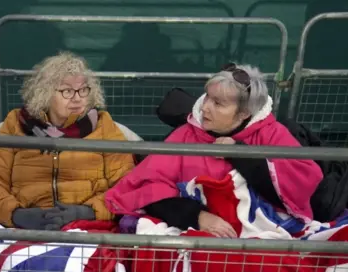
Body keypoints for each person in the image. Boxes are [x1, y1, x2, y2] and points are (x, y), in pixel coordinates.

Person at [105, 63, 324, 237]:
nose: (204, 106)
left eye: (218, 103)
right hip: (198, 232)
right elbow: (149, 188)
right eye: (207, 96)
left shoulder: (272, 134)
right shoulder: (187, 134)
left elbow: (299, 185)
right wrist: (197, 217)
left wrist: (241, 155)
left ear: (244, 113)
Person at [0, 52, 135, 229]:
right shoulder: (15, 124)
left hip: (88, 228)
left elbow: (125, 184)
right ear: (44, 93)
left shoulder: (103, 126)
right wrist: (16, 214)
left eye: (83, 90)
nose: (78, 98)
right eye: (67, 91)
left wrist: (86, 212)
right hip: (24, 229)